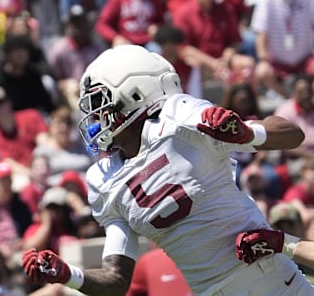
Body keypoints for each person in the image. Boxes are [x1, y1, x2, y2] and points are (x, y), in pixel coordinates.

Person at [20, 44, 313, 294]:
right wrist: (68, 275)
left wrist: (246, 134)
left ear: (134, 93)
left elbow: (292, 134)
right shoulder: (102, 180)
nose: (96, 115)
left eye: (100, 101)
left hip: (273, 279)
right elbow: (117, 282)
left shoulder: (178, 117)